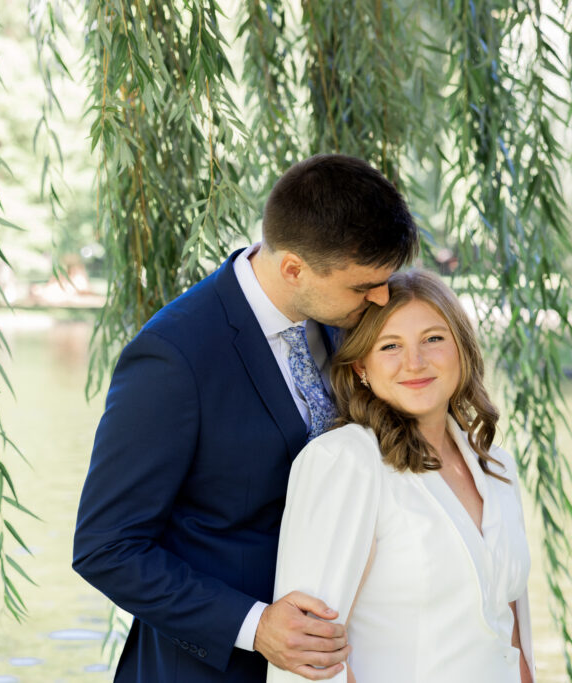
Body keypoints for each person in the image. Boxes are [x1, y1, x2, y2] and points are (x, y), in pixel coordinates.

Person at [72, 154, 419, 682]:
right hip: (210, 670)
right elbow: (108, 547)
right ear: (293, 268)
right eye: (362, 286)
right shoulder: (174, 357)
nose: (382, 297)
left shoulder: (346, 320)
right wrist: (255, 626)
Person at [268, 269, 535, 683]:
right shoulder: (346, 461)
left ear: (461, 349)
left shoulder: (495, 466)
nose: (416, 362)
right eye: (390, 345)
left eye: (433, 338)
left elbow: (509, 629)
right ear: (361, 367)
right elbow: (311, 659)